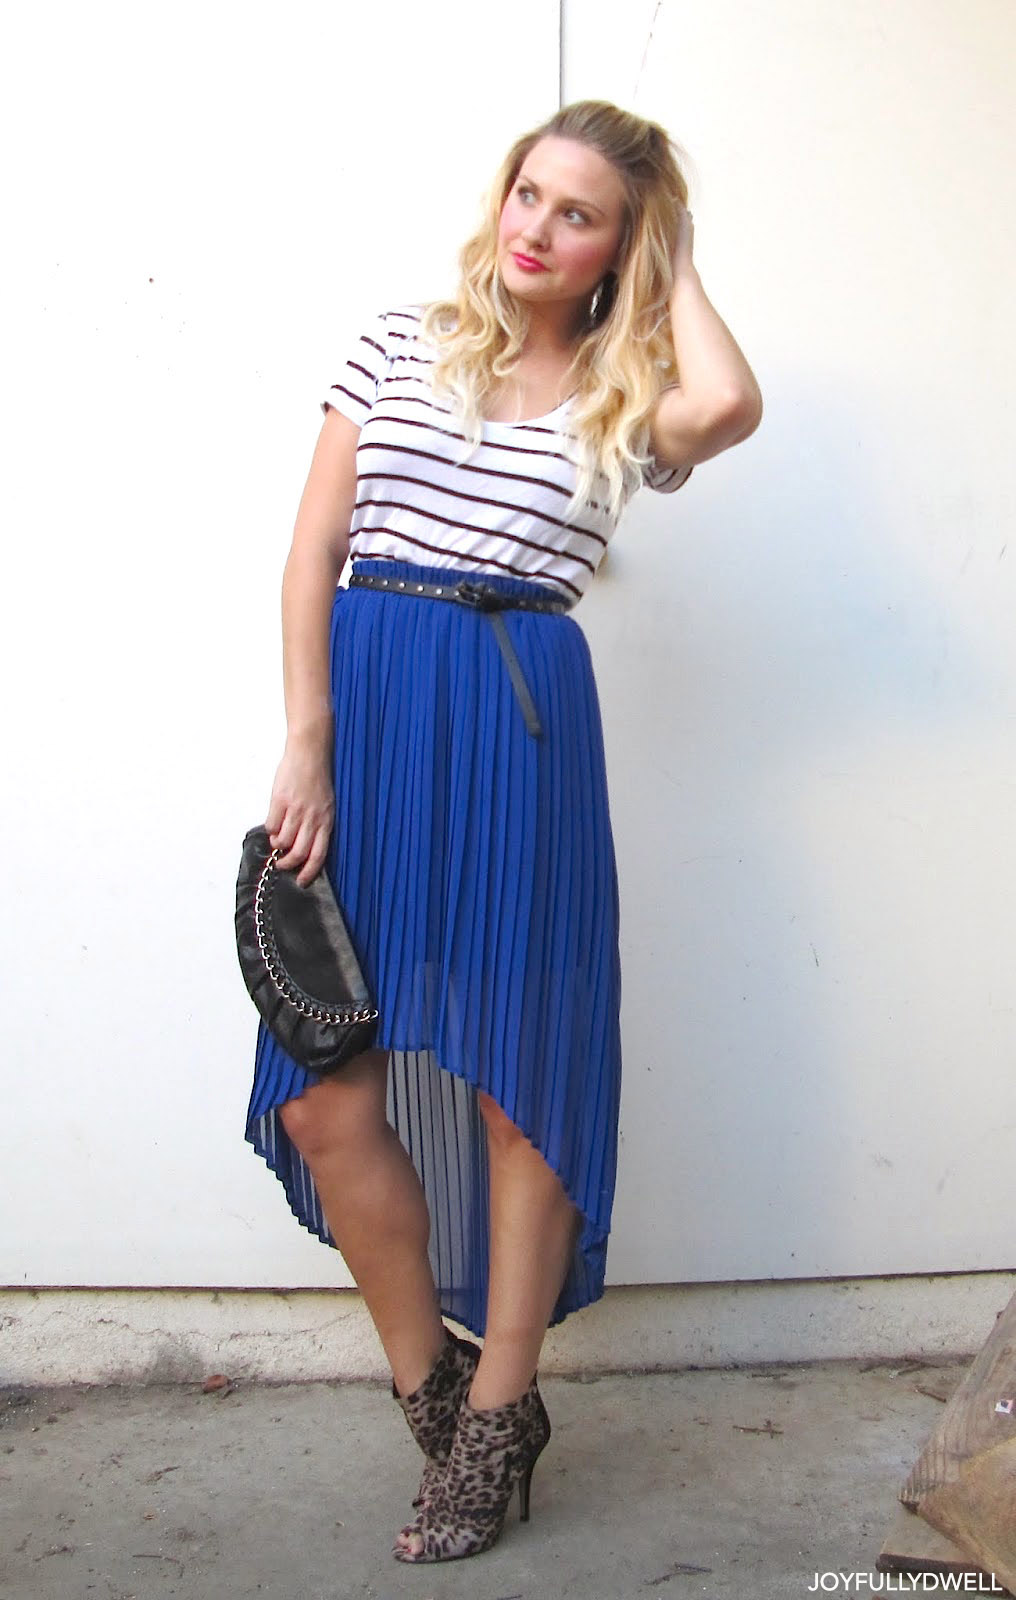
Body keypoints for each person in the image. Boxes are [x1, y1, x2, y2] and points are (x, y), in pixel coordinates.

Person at [244, 98, 762, 1564]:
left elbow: (728, 406)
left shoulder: (627, 388)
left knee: (516, 1084)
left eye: (580, 214)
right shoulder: (397, 343)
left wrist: (674, 263)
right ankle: (439, 1392)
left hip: (520, 732)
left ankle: (500, 1409)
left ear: (621, 247)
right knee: (322, 1090)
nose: (537, 227)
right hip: (372, 723)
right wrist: (306, 740)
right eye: (530, 193)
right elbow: (312, 551)